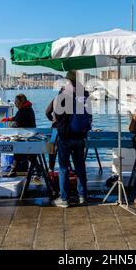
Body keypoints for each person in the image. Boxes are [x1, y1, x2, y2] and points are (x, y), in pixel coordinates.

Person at [52, 70, 92, 208]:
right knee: (80, 166)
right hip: (80, 136)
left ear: (68, 80)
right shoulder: (85, 93)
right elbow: (89, 115)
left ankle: (64, 199)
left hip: (65, 136)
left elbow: (56, 113)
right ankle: (82, 196)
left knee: (63, 168)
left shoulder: (64, 93)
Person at [2, 94, 37, 177]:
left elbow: (17, 123)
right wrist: (10, 119)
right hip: (29, 135)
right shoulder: (28, 108)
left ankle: (38, 170)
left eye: (16, 101)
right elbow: (18, 118)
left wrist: (10, 127)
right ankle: (38, 170)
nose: (15, 103)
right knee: (24, 154)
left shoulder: (23, 111)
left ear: (21, 102)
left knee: (20, 153)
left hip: (26, 136)